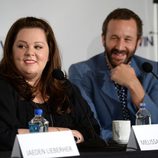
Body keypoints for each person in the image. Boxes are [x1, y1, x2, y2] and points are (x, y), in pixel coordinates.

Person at [0, 17, 104, 151]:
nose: (30, 53)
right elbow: (4, 137)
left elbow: (92, 131)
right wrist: (63, 133)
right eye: (22, 46)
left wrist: (32, 134)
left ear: (49, 53)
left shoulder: (65, 87)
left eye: (38, 47)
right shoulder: (3, 87)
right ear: (10, 51)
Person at [68, 8, 158, 142]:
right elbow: (90, 126)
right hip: (106, 150)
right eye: (114, 38)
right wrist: (129, 140)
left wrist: (133, 84)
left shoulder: (153, 70)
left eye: (128, 39)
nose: (120, 46)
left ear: (138, 42)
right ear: (103, 39)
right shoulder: (81, 72)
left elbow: (156, 123)